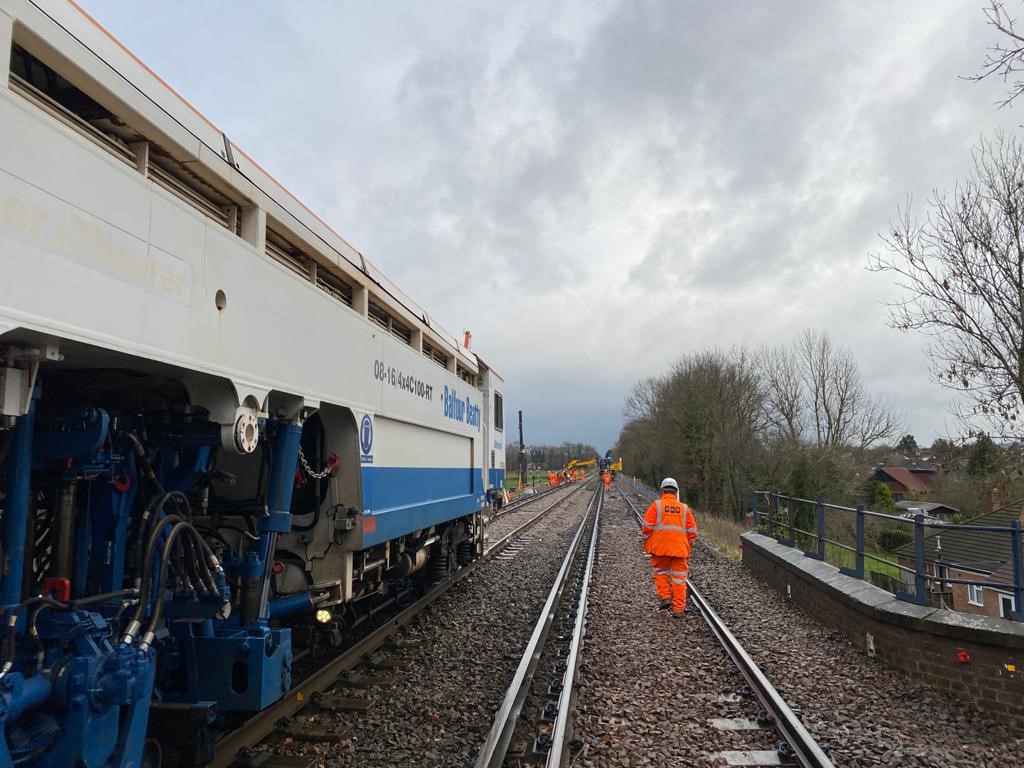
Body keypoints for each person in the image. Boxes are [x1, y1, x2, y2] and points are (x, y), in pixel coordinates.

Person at [642, 478, 698, 617]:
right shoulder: (685, 509)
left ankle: (666, 597)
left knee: (660, 574)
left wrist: (648, 541)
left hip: (660, 549)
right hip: (679, 550)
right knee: (679, 580)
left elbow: (646, 528)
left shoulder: (656, 506)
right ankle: (678, 610)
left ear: (662, 491)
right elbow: (692, 532)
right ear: (676, 492)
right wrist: (689, 546)